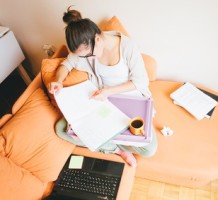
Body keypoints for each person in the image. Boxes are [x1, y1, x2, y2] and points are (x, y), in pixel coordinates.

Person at [48, 7, 157, 167]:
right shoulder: (85, 46)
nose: (85, 59)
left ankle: (104, 139)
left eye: (87, 55)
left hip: (129, 99)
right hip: (100, 101)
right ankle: (116, 149)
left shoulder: (127, 46)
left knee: (149, 150)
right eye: (82, 57)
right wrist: (58, 80)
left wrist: (108, 92)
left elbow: (141, 82)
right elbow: (67, 63)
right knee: (61, 129)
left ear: (97, 39)